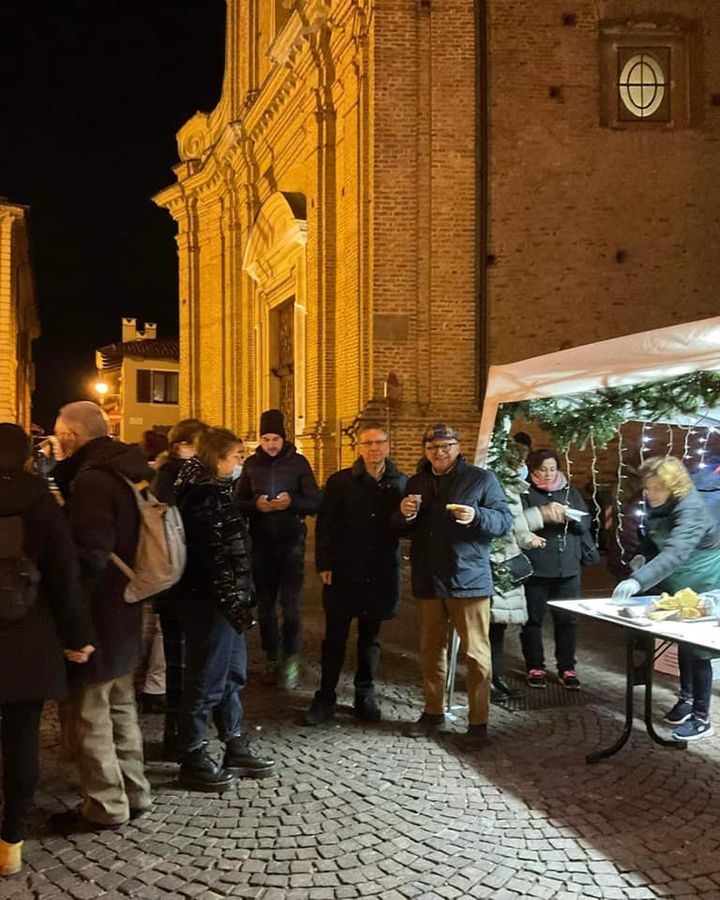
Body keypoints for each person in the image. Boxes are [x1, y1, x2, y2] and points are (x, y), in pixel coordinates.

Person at [47, 401, 153, 833]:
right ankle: (135, 790)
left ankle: (106, 804)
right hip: (127, 605)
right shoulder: (129, 467)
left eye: (60, 436)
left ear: (73, 436)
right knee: (121, 705)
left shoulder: (91, 481)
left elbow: (88, 555)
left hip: (99, 612)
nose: (57, 445)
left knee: (91, 711)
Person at [0, 424, 94, 877]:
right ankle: (11, 841)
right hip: (27, 635)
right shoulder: (39, 498)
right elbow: (64, 575)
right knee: (21, 740)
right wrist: (77, 636)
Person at [397, 424, 513, 749]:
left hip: (469, 579)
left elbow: (503, 521)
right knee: (431, 649)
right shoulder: (417, 481)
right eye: (433, 447)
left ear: (457, 447)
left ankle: (479, 723)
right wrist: (404, 514)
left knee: (476, 654)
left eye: (446, 446)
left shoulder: (480, 479)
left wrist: (476, 516)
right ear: (425, 449)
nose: (440, 452)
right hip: (430, 578)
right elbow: (403, 527)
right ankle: (433, 711)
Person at [174, 427, 276, 791]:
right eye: (236, 456)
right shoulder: (203, 497)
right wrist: (233, 603)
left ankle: (233, 743)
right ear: (218, 459)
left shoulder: (215, 492)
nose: (240, 463)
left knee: (231, 675)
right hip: (210, 604)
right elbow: (213, 560)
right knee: (205, 679)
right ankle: (192, 754)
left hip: (226, 603)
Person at [304, 423, 408, 726]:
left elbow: (406, 526)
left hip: (380, 571)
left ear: (389, 445)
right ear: (358, 448)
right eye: (367, 443)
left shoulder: (401, 483)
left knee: (370, 637)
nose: (374, 448)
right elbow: (324, 526)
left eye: (379, 442)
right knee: (334, 636)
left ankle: (364, 693)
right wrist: (324, 563)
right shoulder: (340, 482)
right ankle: (325, 695)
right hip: (344, 569)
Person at [612, 456, 720, 742]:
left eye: (658, 488)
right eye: (648, 488)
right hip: (675, 579)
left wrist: (639, 580)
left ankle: (701, 717)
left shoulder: (692, 508)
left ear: (674, 486)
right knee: (681, 642)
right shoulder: (655, 501)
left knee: (699, 651)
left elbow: (675, 553)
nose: (651, 494)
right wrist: (640, 560)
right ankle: (685, 698)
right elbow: (651, 541)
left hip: (704, 579)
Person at [235, 409, 320, 689]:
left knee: (292, 607)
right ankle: (272, 656)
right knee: (266, 606)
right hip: (261, 544)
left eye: (275, 438)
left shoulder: (298, 463)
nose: (270, 444)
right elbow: (237, 503)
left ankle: (291, 657)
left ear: (284, 438)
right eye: (266, 438)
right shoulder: (251, 465)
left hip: (291, 543)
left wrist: (291, 502)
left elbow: (315, 502)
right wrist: (255, 506)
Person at [150, 417, 210, 757]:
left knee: (183, 660)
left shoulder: (179, 475)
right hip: (178, 581)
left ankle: (179, 733)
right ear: (182, 446)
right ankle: (177, 735)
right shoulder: (172, 477)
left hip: (182, 581)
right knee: (180, 662)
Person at [520, 448, 592, 689]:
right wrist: (543, 516)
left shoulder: (570, 492)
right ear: (532, 470)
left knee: (568, 620)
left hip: (568, 568)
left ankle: (567, 668)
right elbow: (518, 526)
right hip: (536, 566)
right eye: (542, 469)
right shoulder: (525, 493)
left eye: (552, 469)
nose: (548, 474)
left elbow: (586, 524)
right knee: (532, 619)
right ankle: (535, 665)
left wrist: (574, 519)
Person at [489, 442, 546, 703]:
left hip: (507, 566)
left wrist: (529, 537)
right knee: (487, 629)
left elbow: (517, 529)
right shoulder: (497, 487)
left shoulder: (512, 489)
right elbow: (503, 526)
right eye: (519, 463)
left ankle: (496, 678)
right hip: (494, 566)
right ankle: (486, 680)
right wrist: (540, 515)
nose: (523, 468)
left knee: (498, 628)